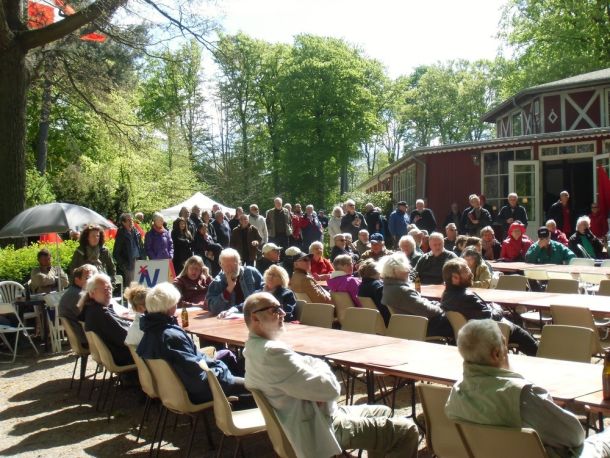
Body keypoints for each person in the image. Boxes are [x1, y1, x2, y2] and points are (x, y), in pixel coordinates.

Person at [243, 292, 419, 458]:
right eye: (274, 310)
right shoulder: (272, 353)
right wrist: (320, 372)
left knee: (383, 411)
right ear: (255, 318)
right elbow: (331, 390)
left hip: (311, 415)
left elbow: (313, 370)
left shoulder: (253, 348)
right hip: (318, 427)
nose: (283, 313)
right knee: (406, 431)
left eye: (280, 307)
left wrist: (316, 378)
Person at [445, 319, 610, 457]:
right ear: (496, 354)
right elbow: (575, 436)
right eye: (504, 343)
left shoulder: (457, 392)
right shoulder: (521, 395)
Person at [137, 282, 249, 405]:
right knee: (256, 388)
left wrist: (217, 366)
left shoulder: (150, 331)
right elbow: (198, 378)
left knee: (226, 358)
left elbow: (192, 363)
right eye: (175, 303)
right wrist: (221, 369)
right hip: (198, 391)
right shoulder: (170, 337)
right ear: (169, 307)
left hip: (177, 389)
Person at [441, 258, 538, 354]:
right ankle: (541, 357)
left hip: (470, 337)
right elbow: (489, 318)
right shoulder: (468, 297)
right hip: (493, 334)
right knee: (532, 345)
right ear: (455, 278)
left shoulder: (445, 296)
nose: (471, 273)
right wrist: (497, 308)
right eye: (466, 270)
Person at [380, 252, 453, 338]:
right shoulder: (401, 290)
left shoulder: (388, 287)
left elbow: (420, 303)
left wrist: (436, 304)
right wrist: (443, 308)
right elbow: (427, 310)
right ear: (395, 272)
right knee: (455, 321)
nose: (408, 271)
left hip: (411, 325)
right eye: (405, 268)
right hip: (422, 327)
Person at [78, 273, 133, 366]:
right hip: (124, 357)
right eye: (105, 289)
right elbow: (127, 338)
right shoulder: (100, 313)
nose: (109, 291)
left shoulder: (91, 308)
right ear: (92, 293)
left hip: (118, 353)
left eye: (110, 288)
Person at [207, 248, 263, 317]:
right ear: (221, 265)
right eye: (227, 266)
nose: (230, 269)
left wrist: (238, 308)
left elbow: (265, 291)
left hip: (254, 316)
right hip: (229, 320)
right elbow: (213, 307)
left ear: (239, 263)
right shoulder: (218, 281)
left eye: (233, 265)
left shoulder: (251, 272)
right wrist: (229, 289)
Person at [58, 264, 97, 347]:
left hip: (81, 337)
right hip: (86, 340)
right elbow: (92, 319)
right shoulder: (78, 295)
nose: (92, 281)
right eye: (88, 278)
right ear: (77, 280)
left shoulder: (73, 291)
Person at [113, 212, 144, 284]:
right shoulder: (121, 234)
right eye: (129, 220)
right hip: (129, 264)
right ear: (123, 223)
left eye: (132, 220)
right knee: (131, 286)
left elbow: (141, 247)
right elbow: (116, 253)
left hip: (139, 262)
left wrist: (143, 258)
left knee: (140, 284)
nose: (131, 222)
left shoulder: (136, 232)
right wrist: (124, 266)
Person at [357, 259, 391, 326]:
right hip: (386, 322)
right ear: (377, 271)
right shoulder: (378, 286)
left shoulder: (361, 286)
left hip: (371, 322)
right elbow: (386, 308)